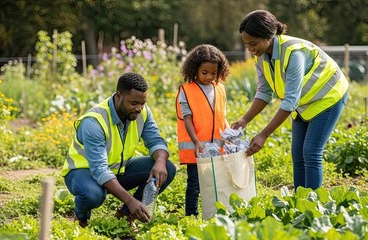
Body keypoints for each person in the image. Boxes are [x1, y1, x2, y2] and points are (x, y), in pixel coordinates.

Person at [232, 10, 348, 190]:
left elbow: (290, 101)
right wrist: (244, 120)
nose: (250, 49)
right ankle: (300, 204)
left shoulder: (294, 53)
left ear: (268, 36)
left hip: (328, 96)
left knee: (311, 152)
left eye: (253, 43)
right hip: (304, 102)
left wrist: (264, 134)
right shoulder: (261, 58)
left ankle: (313, 206)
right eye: (246, 44)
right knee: (297, 154)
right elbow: (264, 92)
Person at [62, 72, 176, 229]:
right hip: (83, 173)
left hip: (117, 170)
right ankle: (81, 218)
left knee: (167, 168)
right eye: (134, 103)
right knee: (92, 195)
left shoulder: (142, 112)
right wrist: (130, 201)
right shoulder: (94, 122)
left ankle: (125, 216)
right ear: (119, 96)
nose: (139, 108)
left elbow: (155, 140)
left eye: (142, 103)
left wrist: (160, 161)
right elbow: (99, 169)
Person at [176, 44, 230, 216]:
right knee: (195, 185)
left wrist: (229, 134)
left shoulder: (220, 88)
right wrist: (196, 142)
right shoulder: (186, 90)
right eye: (204, 72)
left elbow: (222, 116)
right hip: (196, 149)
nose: (209, 77)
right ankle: (191, 216)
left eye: (213, 73)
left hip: (217, 149)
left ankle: (213, 213)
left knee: (215, 183)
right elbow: (187, 119)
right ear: (195, 69)